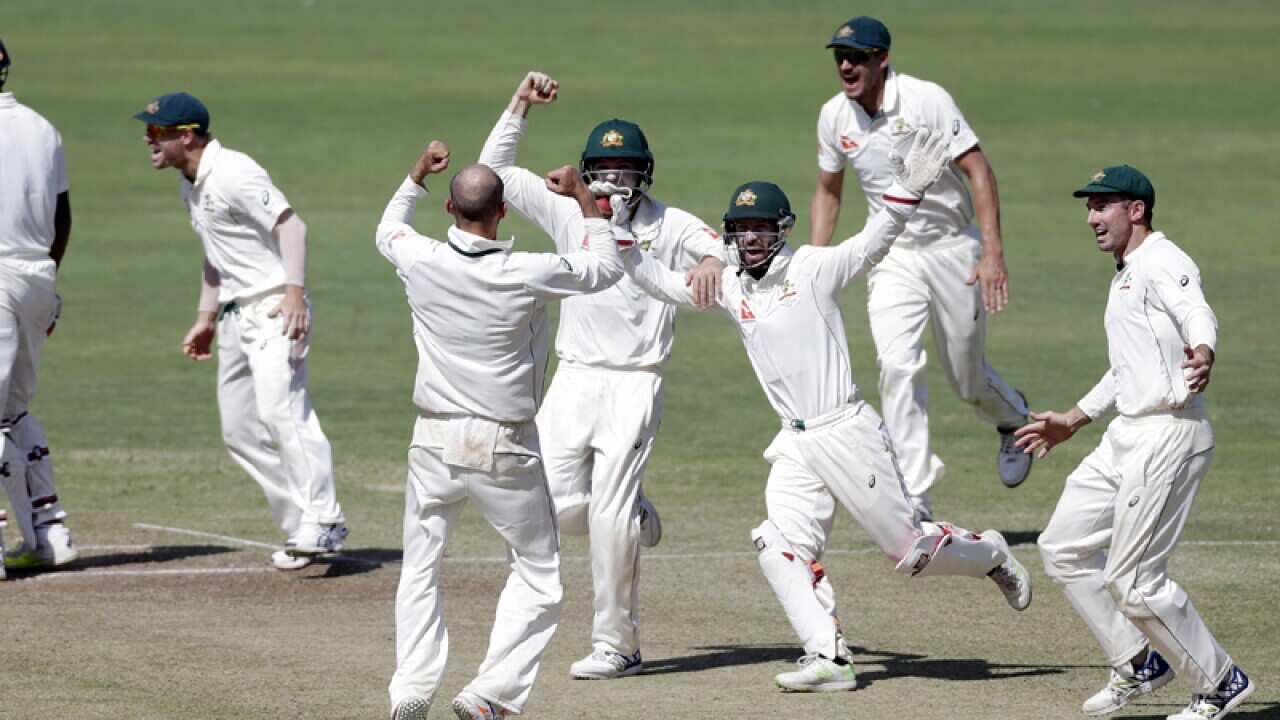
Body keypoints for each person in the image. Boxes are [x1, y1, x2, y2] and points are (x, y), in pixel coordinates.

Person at [626, 129, 1032, 692]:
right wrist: (613, 238)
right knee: (777, 543)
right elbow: (661, 283)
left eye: (761, 229)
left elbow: (871, 242)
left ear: (782, 230)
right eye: (741, 231)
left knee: (911, 552)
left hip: (846, 431)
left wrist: (905, 190)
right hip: (794, 442)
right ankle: (830, 659)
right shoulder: (730, 286)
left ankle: (989, 553)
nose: (750, 240)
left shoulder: (813, 268)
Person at [478, 71, 726, 679]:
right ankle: (637, 508)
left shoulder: (668, 224)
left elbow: (714, 247)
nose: (615, 183)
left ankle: (619, 645)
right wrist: (519, 106)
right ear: (587, 172)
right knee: (550, 508)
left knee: (607, 522)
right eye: (604, 171)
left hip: (636, 380)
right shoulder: (568, 209)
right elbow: (493, 175)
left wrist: (714, 261)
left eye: (627, 171)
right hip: (574, 376)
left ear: (646, 174)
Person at [377, 141, 624, 720]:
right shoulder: (526, 271)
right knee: (539, 576)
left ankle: (411, 690)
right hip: (503, 444)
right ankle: (490, 694)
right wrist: (586, 200)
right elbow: (605, 269)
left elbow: (387, 227)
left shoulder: (419, 257)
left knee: (420, 566)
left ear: (449, 210)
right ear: (504, 211)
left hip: (432, 439)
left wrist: (415, 175)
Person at [1021, 166, 1254, 720]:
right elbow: (1126, 367)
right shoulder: (1126, 273)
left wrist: (1204, 350)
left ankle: (1220, 682)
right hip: (1125, 434)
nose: (1091, 218)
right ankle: (1138, 661)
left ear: (1137, 210)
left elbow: (1198, 310)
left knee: (1134, 582)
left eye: (1103, 206)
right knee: (1063, 547)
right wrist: (1074, 419)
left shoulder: (1163, 260)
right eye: (1089, 207)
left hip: (1169, 435)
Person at [809, 16, 1030, 520]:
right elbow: (828, 188)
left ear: (882, 59)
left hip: (952, 249)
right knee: (896, 367)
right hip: (891, 257)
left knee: (967, 381)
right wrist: (816, 266)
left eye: (858, 57)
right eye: (840, 57)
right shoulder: (834, 117)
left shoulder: (926, 100)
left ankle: (1015, 419)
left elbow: (978, 168)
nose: (846, 65)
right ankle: (915, 501)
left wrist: (992, 250)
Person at [135, 92, 346, 570]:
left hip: (275, 308)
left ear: (185, 136)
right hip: (234, 314)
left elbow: (293, 227)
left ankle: (326, 519)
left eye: (156, 132)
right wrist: (205, 318)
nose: (147, 140)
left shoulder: (234, 172)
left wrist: (294, 293)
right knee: (240, 431)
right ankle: (302, 525)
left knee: (282, 412)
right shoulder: (190, 185)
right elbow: (216, 256)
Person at [0, 37, 78, 574]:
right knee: (13, 411)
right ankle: (49, 533)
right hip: (35, 277)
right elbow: (63, 215)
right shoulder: (41, 126)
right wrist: (47, 285)